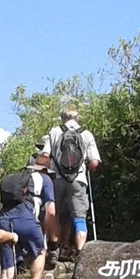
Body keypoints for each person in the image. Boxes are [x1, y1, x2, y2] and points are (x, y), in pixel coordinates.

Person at [0, 163, 55, 279]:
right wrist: (45, 231)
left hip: (4, 220)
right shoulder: (44, 179)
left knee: (6, 272)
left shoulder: (17, 180)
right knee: (40, 251)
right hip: (26, 218)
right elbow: (51, 211)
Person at [42, 109, 101, 265]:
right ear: (78, 118)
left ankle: (54, 250)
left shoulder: (55, 131)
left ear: (62, 119)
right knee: (79, 216)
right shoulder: (86, 134)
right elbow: (94, 162)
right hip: (79, 180)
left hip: (57, 179)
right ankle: (80, 254)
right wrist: (85, 166)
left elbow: (45, 156)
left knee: (55, 214)